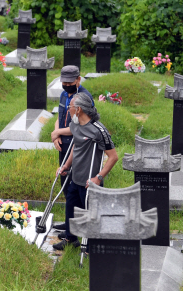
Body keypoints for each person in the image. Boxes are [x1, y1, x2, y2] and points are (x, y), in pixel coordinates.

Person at [53, 93, 119, 250]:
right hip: (75, 178)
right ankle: (71, 239)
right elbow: (75, 147)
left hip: (91, 182)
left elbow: (113, 157)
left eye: (70, 107)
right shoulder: (76, 125)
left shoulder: (98, 130)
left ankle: (92, 246)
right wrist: (66, 166)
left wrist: (99, 177)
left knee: (92, 215)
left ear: (79, 109)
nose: (68, 109)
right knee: (71, 209)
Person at [50, 65, 93, 232]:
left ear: (78, 80)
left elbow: (82, 126)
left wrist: (58, 131)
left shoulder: (84, 98)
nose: (66, 84)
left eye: (69, 82)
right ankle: (70, 223)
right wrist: (57, 134)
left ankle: (79, 226)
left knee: (77, 186)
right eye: (63, 81)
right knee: (65, 183)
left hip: (78, 145)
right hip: (63, 144)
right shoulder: (63, 94)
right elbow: (60, 118)